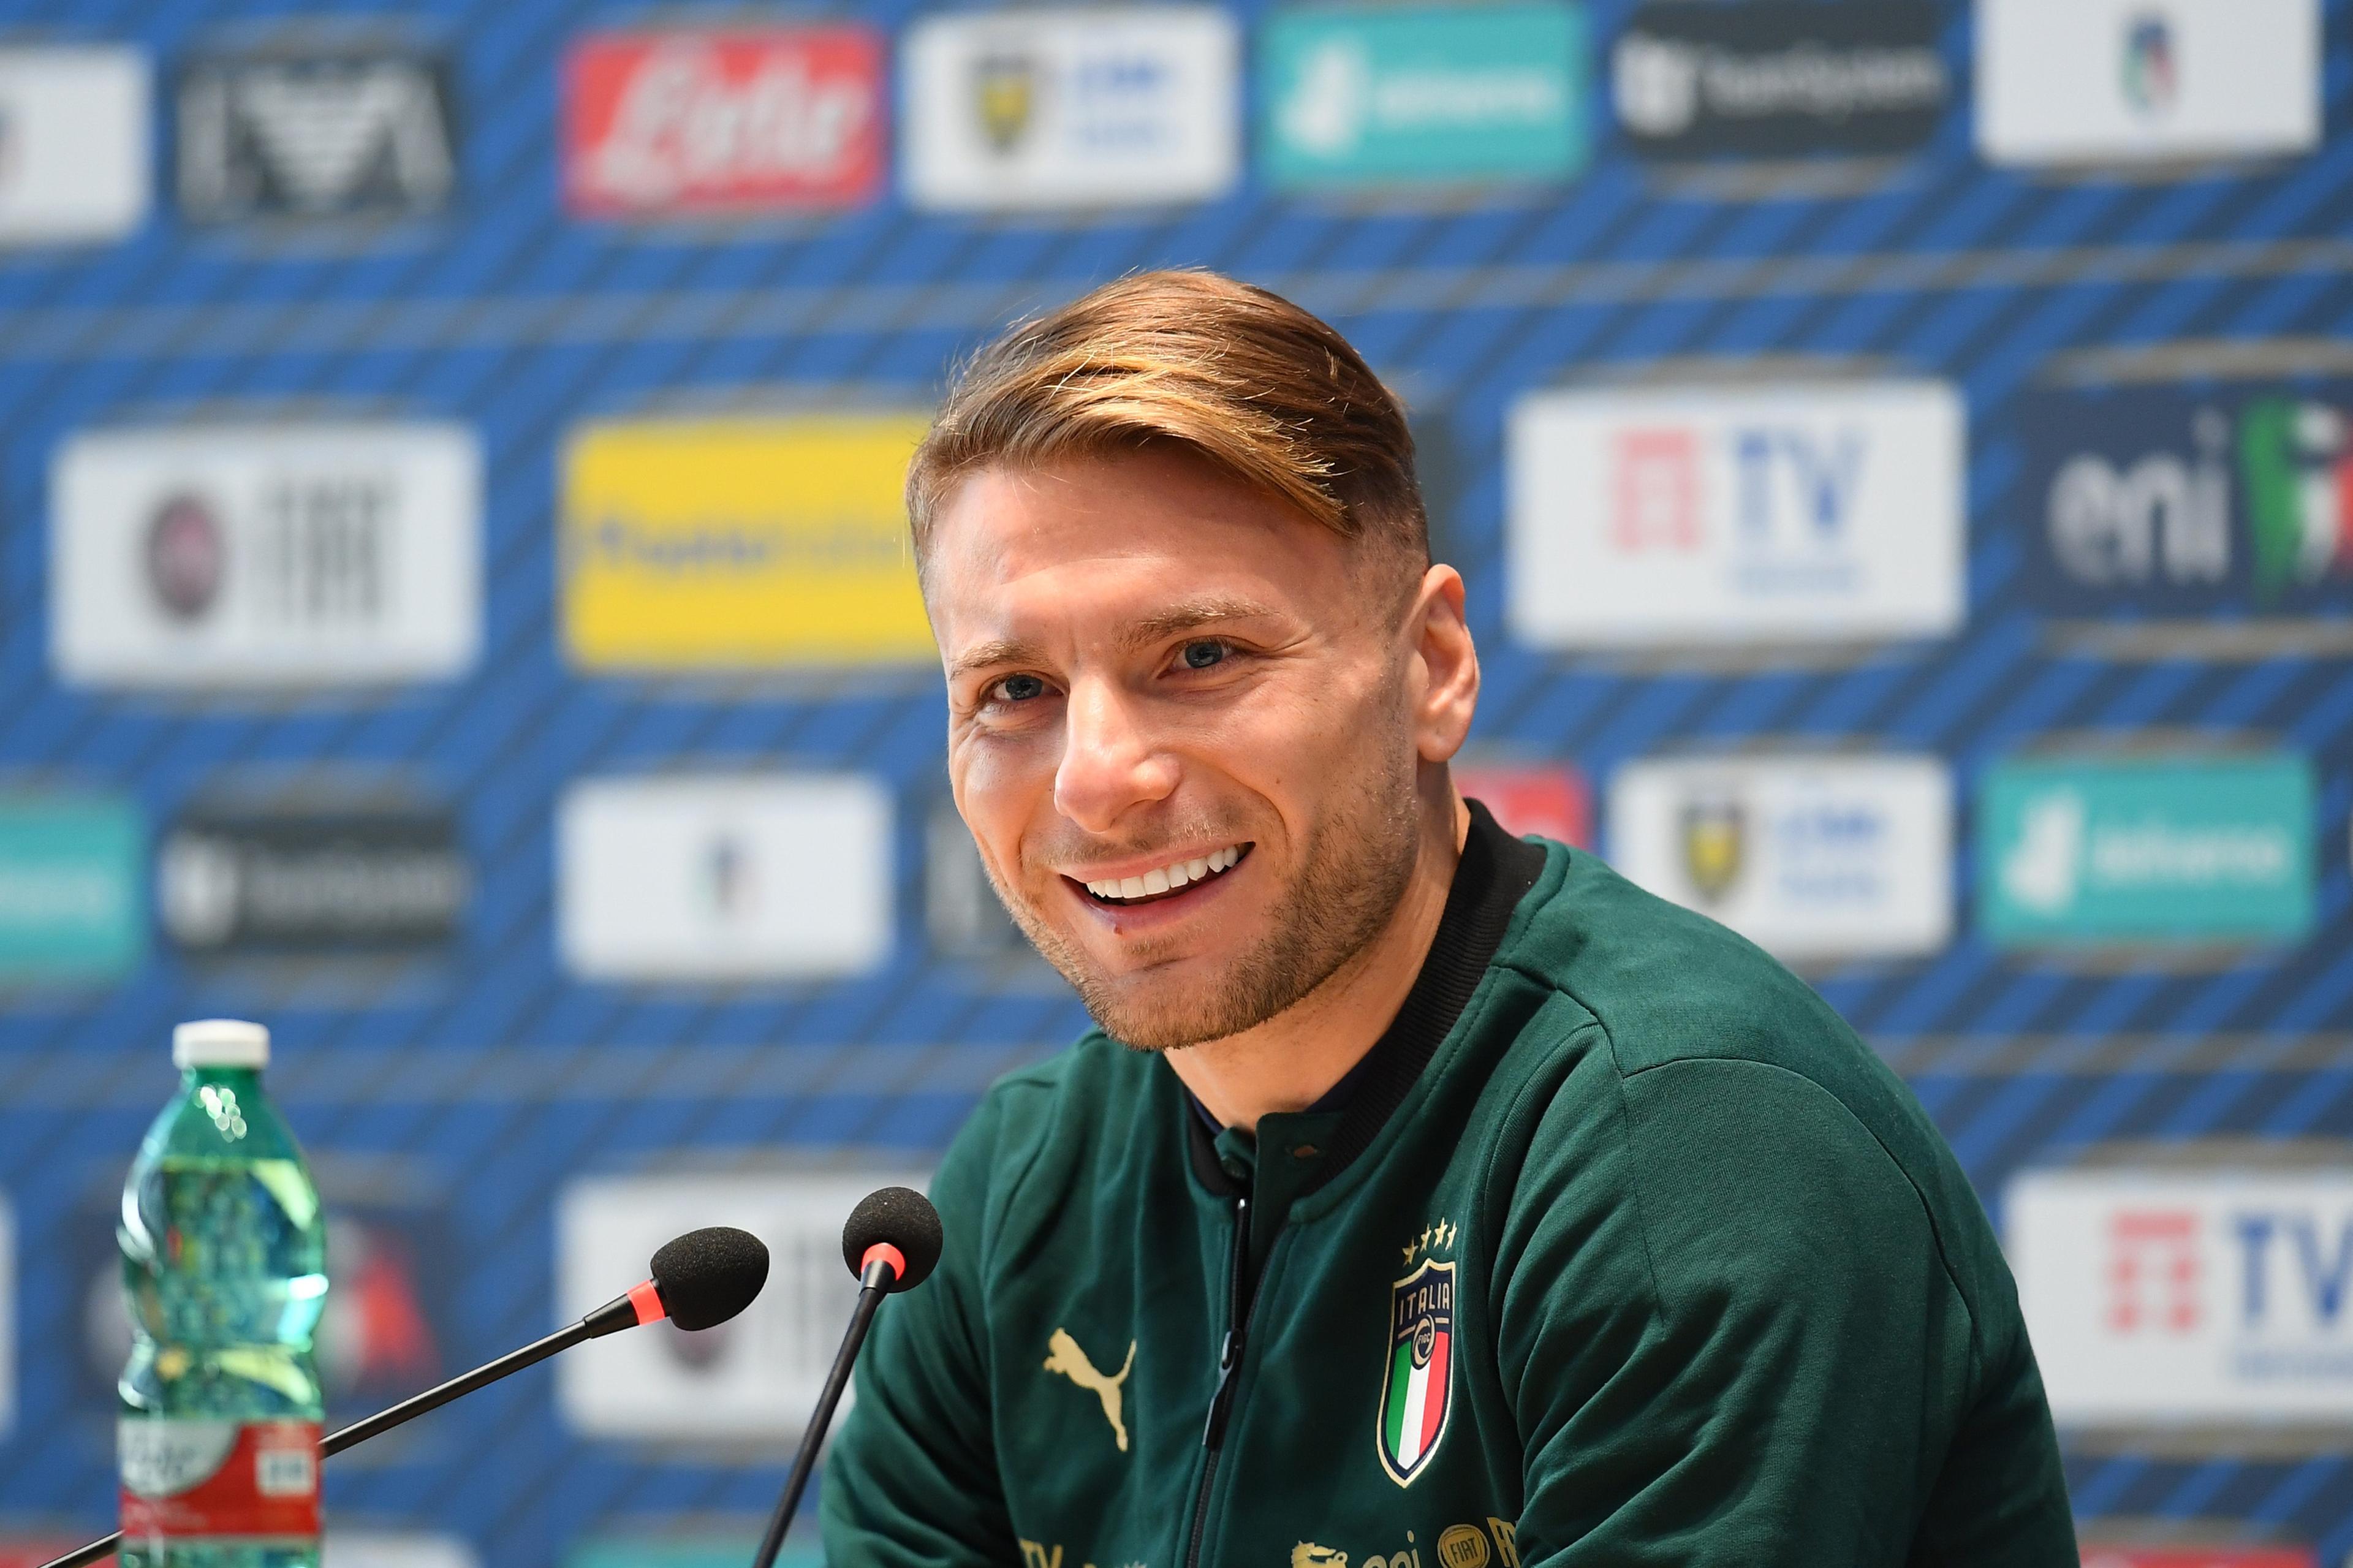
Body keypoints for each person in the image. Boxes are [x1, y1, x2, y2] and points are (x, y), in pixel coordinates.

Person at [822, 269, 2076, 1567]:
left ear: (1432, 670)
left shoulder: (1689, 1147)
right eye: (1015, 687)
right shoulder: (1017, 1191)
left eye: (1200, 655)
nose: (1095, 773)